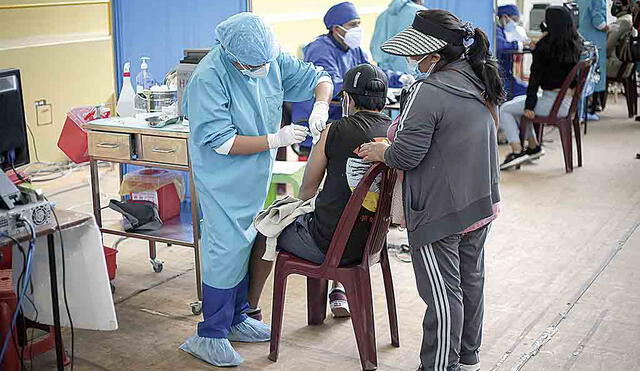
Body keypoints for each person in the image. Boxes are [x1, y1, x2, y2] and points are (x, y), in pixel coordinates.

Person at [179, 13, 333, 367]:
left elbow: (319, 78)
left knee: (247, 241)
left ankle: (236, 318)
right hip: (223, 177)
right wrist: (275, 139)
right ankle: (210, 334)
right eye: (254, 64)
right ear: (234, 58)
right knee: (225, 247)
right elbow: (221, 141)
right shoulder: (210, 77)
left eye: (267, 61)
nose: (264, 69)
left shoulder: (270, 58)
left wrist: (320, 105)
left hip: (254, 176)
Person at [357, 9, 502, 371]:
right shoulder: (480, 76)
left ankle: (438, 366)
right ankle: (467, 360)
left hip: (440, 210)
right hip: (480, 201)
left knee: (441, 294)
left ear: (434, 56)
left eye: (414, 54)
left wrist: (382, 151)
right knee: (470, 283)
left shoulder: (429, 90)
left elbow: (406, 154)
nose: (410, 60)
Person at [247, 64, 392, 320]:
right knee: (343, 213)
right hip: (372, 242)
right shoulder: (395, 134)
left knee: (266, 228)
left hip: (329, 245)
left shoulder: (334, 131)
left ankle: (250, 312)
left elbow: (307, 189)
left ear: (346, 99)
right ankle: (338, 292)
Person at [291, 1, 411, 156]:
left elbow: (371, 72)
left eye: (358, 24)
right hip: (324, 121)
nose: (357, 29)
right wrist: (367, 88)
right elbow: (329, 85)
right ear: (336, 29)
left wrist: (398, 78)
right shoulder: (320, 49)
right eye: (352, 25)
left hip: (348, 117)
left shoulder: (353, 49)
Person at [499, 6, 583, 170]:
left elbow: (535, 79)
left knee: (505, 109)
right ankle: (532, 145)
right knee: (518, 102)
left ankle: (517, 150)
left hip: (552, 104)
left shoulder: (545, 46)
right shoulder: (575, 43)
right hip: (567, 103)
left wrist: (530, 105)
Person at [370, 0, 426, 73]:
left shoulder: (382, 16)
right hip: (414, 73)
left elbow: (375, 50)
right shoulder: (420, 13)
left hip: (387, 75)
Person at [578, 0, 609, 119]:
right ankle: (587, 110)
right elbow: (598, 21)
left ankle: (582, 109)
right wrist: (608, 28)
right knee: (592, 76)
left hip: (582, 37)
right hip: (594, 39)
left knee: (582, 75)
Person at [496, 4, 528, 99]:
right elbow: (501, 46)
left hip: (507, 77)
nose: (515, 24)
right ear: (505, 17)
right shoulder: (496, 30)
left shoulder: (501, 30)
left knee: (526, 89)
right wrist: (519, 44)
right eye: (514, 20)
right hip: (501, 80)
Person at [607, 0, 636, 80]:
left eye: (618, 3)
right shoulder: (629, 19)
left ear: (626, 7)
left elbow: (608, 46)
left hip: (616, 66)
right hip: (625, 66)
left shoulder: (623, 21)